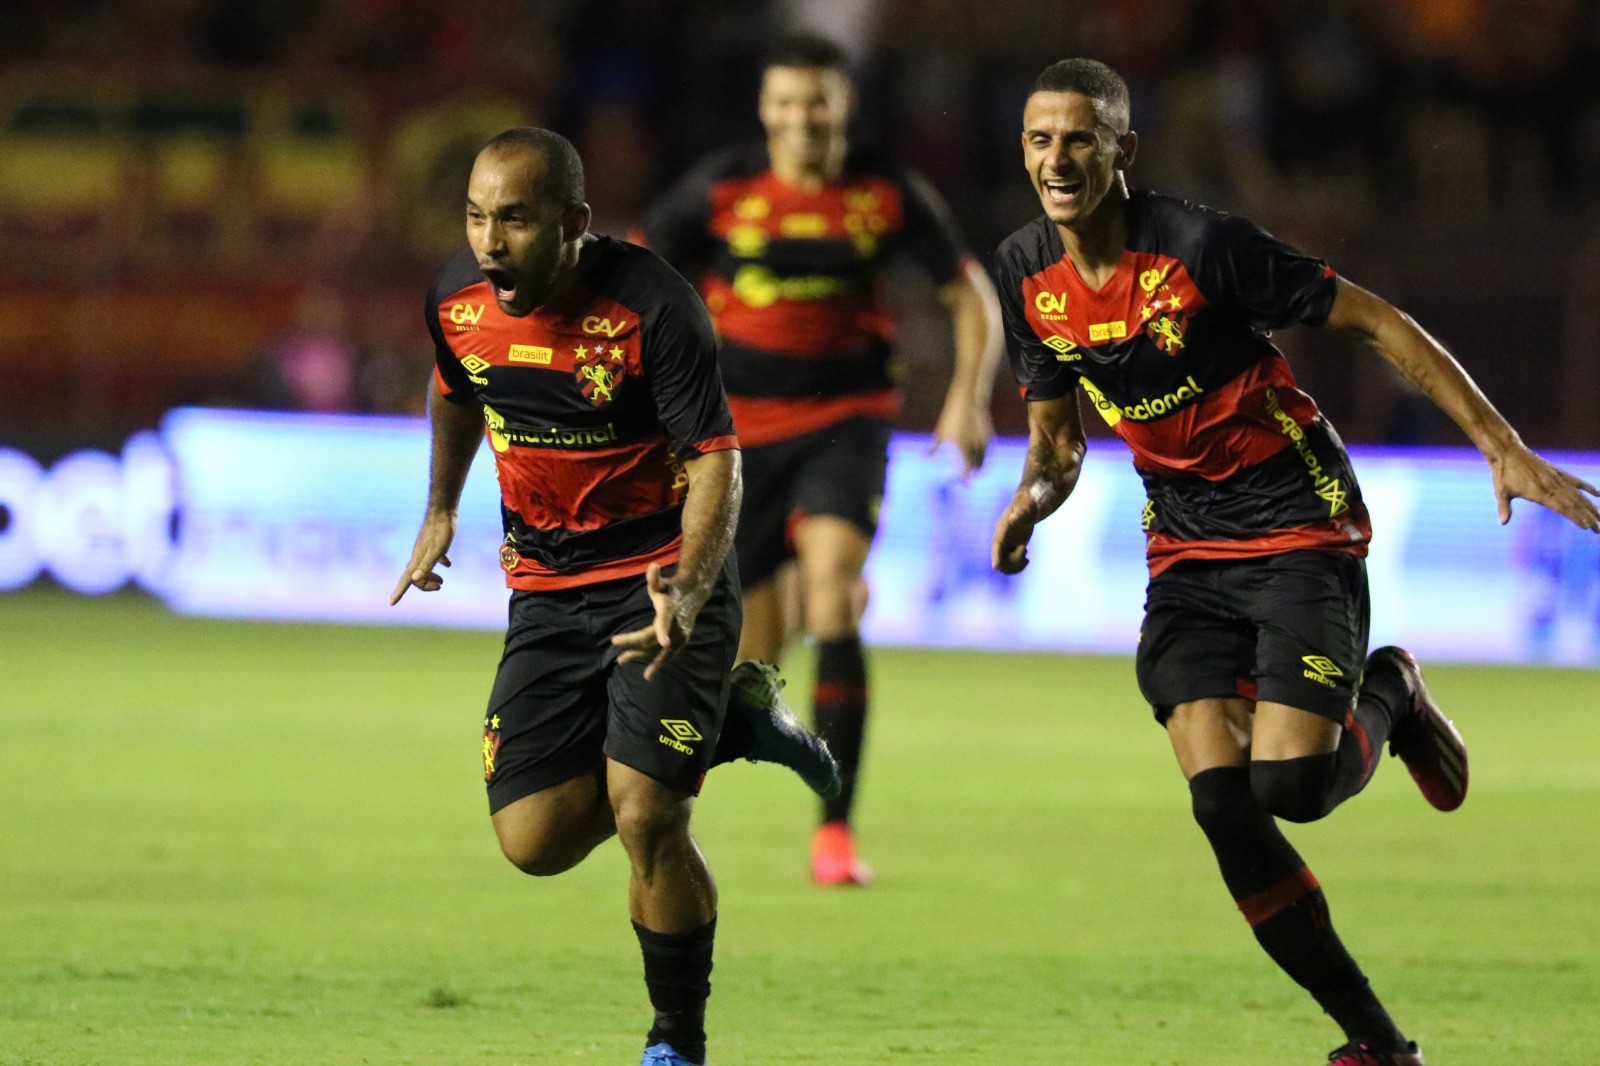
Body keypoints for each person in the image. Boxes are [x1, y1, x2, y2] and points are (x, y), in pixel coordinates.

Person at [989, 59, 1600, 1066]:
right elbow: (1057, 443)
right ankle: (1376, 1044)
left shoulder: (1199, 246)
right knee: (1221, 804)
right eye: (1040, 140)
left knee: (1291, 790)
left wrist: (1498, 443)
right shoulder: (1022, 274)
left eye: (1080, 138)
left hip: (1295, 516)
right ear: (1022, 151)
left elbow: (1376, 321)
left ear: (1121, 151)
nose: (1058, 159)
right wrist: (1031, 501)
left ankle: (1390, 691)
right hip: (1185, 543)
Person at [391, 127, 839, 1066]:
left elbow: (719, 463)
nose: (489, 240)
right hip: (546, 598)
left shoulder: (654, 306)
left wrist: (689, 583)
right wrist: (440, 508)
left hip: (659, 583)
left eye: (514, 218)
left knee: (646, 814)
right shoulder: (456, 301)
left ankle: (676, 1039)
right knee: (534, 841)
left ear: (575, 222)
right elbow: (454, 390)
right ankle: (731, 723)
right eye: (477, 216)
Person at [636, 34, 1004, 885]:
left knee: (836, 591)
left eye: (819, 104)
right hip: (736, 433)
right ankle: (677, 795)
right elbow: (642, 277)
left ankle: (834, 833)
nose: (803, 119)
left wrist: (967, 394)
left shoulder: (884, 191)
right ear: (766, 112)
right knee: (749, 652)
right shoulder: (722, 188)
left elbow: (966, 290)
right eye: (788, 104)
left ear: (843, 110)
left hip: (849, 417)